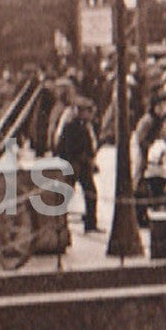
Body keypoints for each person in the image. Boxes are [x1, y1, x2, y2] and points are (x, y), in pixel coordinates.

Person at [54, 97, 99, 233]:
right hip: (74, 165)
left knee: (89, 192)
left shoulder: (84, 125)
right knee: (70, 193)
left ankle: (90, 222)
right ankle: (61, 223)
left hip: (83, 165)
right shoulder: (72, 126)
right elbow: (64, 148)